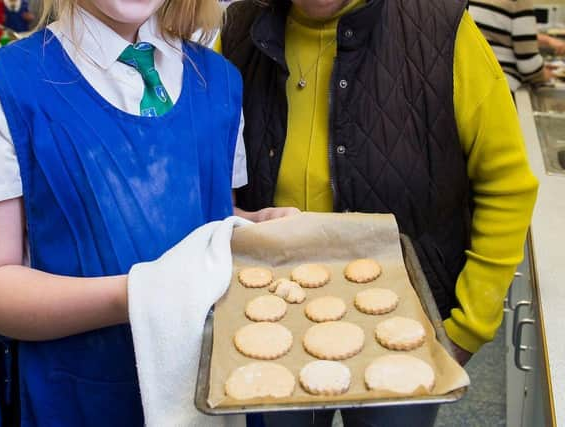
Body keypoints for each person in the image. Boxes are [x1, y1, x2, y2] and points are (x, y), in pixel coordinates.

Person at [0, 0, 293, 425]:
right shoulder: (5, 88)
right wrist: (145, 295)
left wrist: (252, 226)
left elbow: (207, 212)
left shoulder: (219, 81)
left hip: (208, 386)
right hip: (76, 395)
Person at [218, 0, 539, 425]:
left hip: (407, 330)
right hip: (272, 317)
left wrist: (467, 328)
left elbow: (506, 183)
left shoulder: (441, 30)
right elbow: (212, 172)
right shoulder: (239, 30)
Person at [469, 0, 565, 91]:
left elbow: (498, 33)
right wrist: (549, 75)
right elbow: (529, 66)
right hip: (498, 86)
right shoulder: (518, 2)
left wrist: (547, 40)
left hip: (473, 82)